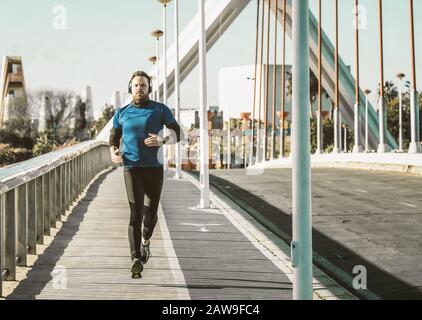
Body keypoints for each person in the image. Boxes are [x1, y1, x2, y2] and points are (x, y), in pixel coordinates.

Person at [109, 71, 183, 278]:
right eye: (135, 85)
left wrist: (162, 141)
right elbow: (114, 137)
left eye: (143, 85)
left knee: (150, 216)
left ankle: (145, 241)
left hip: (153, 169)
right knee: (136, 213)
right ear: (130, 88)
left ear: (149, 88)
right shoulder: (122, 112)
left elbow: (178, 132)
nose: (139, 88)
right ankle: (135, 258)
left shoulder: (160, 110)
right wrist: (113, 151)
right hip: (131, 168)